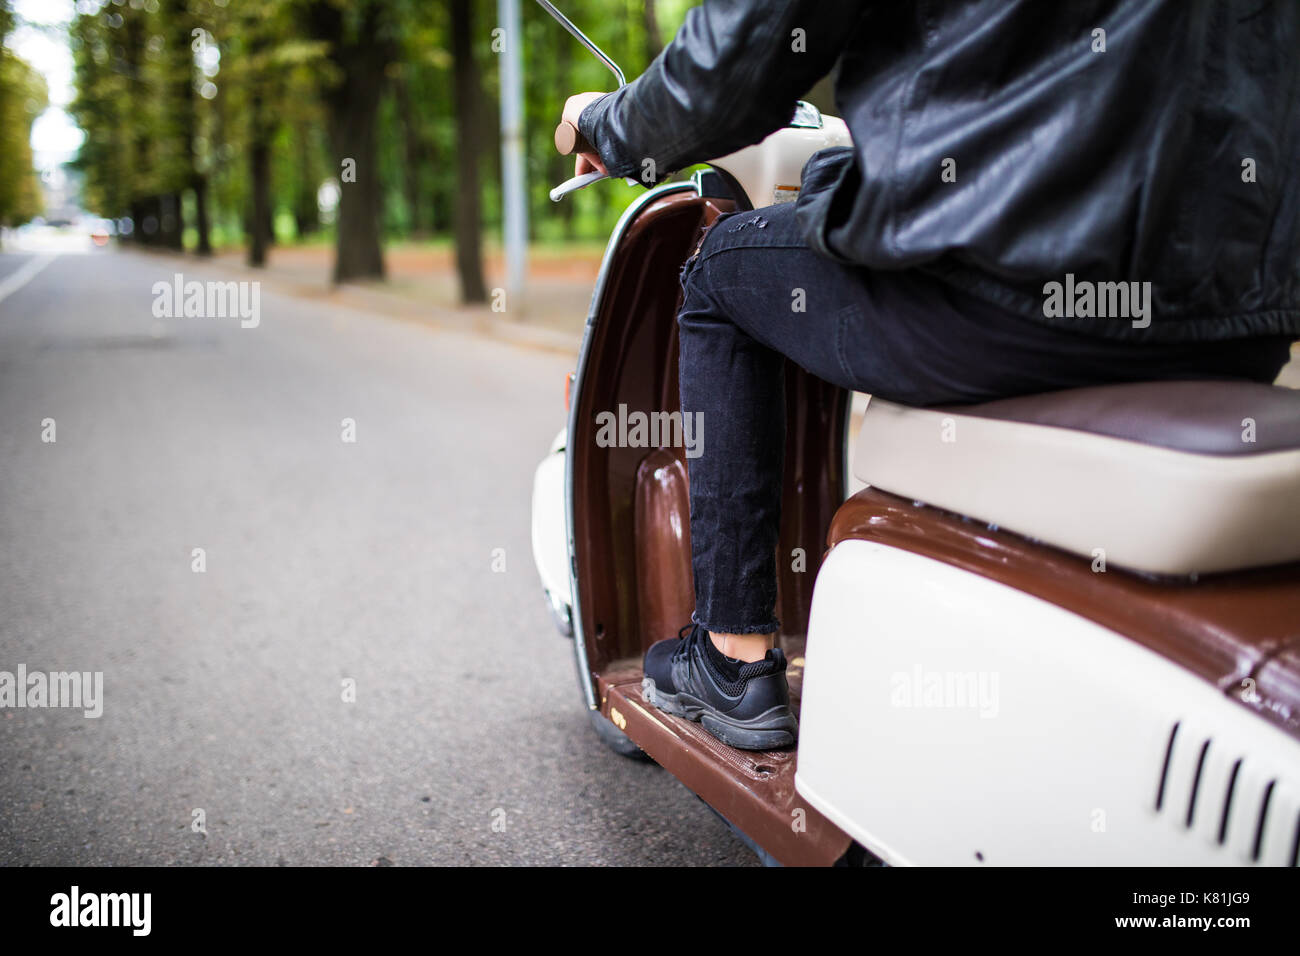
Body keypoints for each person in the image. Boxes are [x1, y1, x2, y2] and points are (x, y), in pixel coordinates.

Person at [560, 0, 1300, 751]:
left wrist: (608, 125)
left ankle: (730, 658)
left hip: (1004, 293)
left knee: (721, 273)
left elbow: (726, 71)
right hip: (1238, 323)